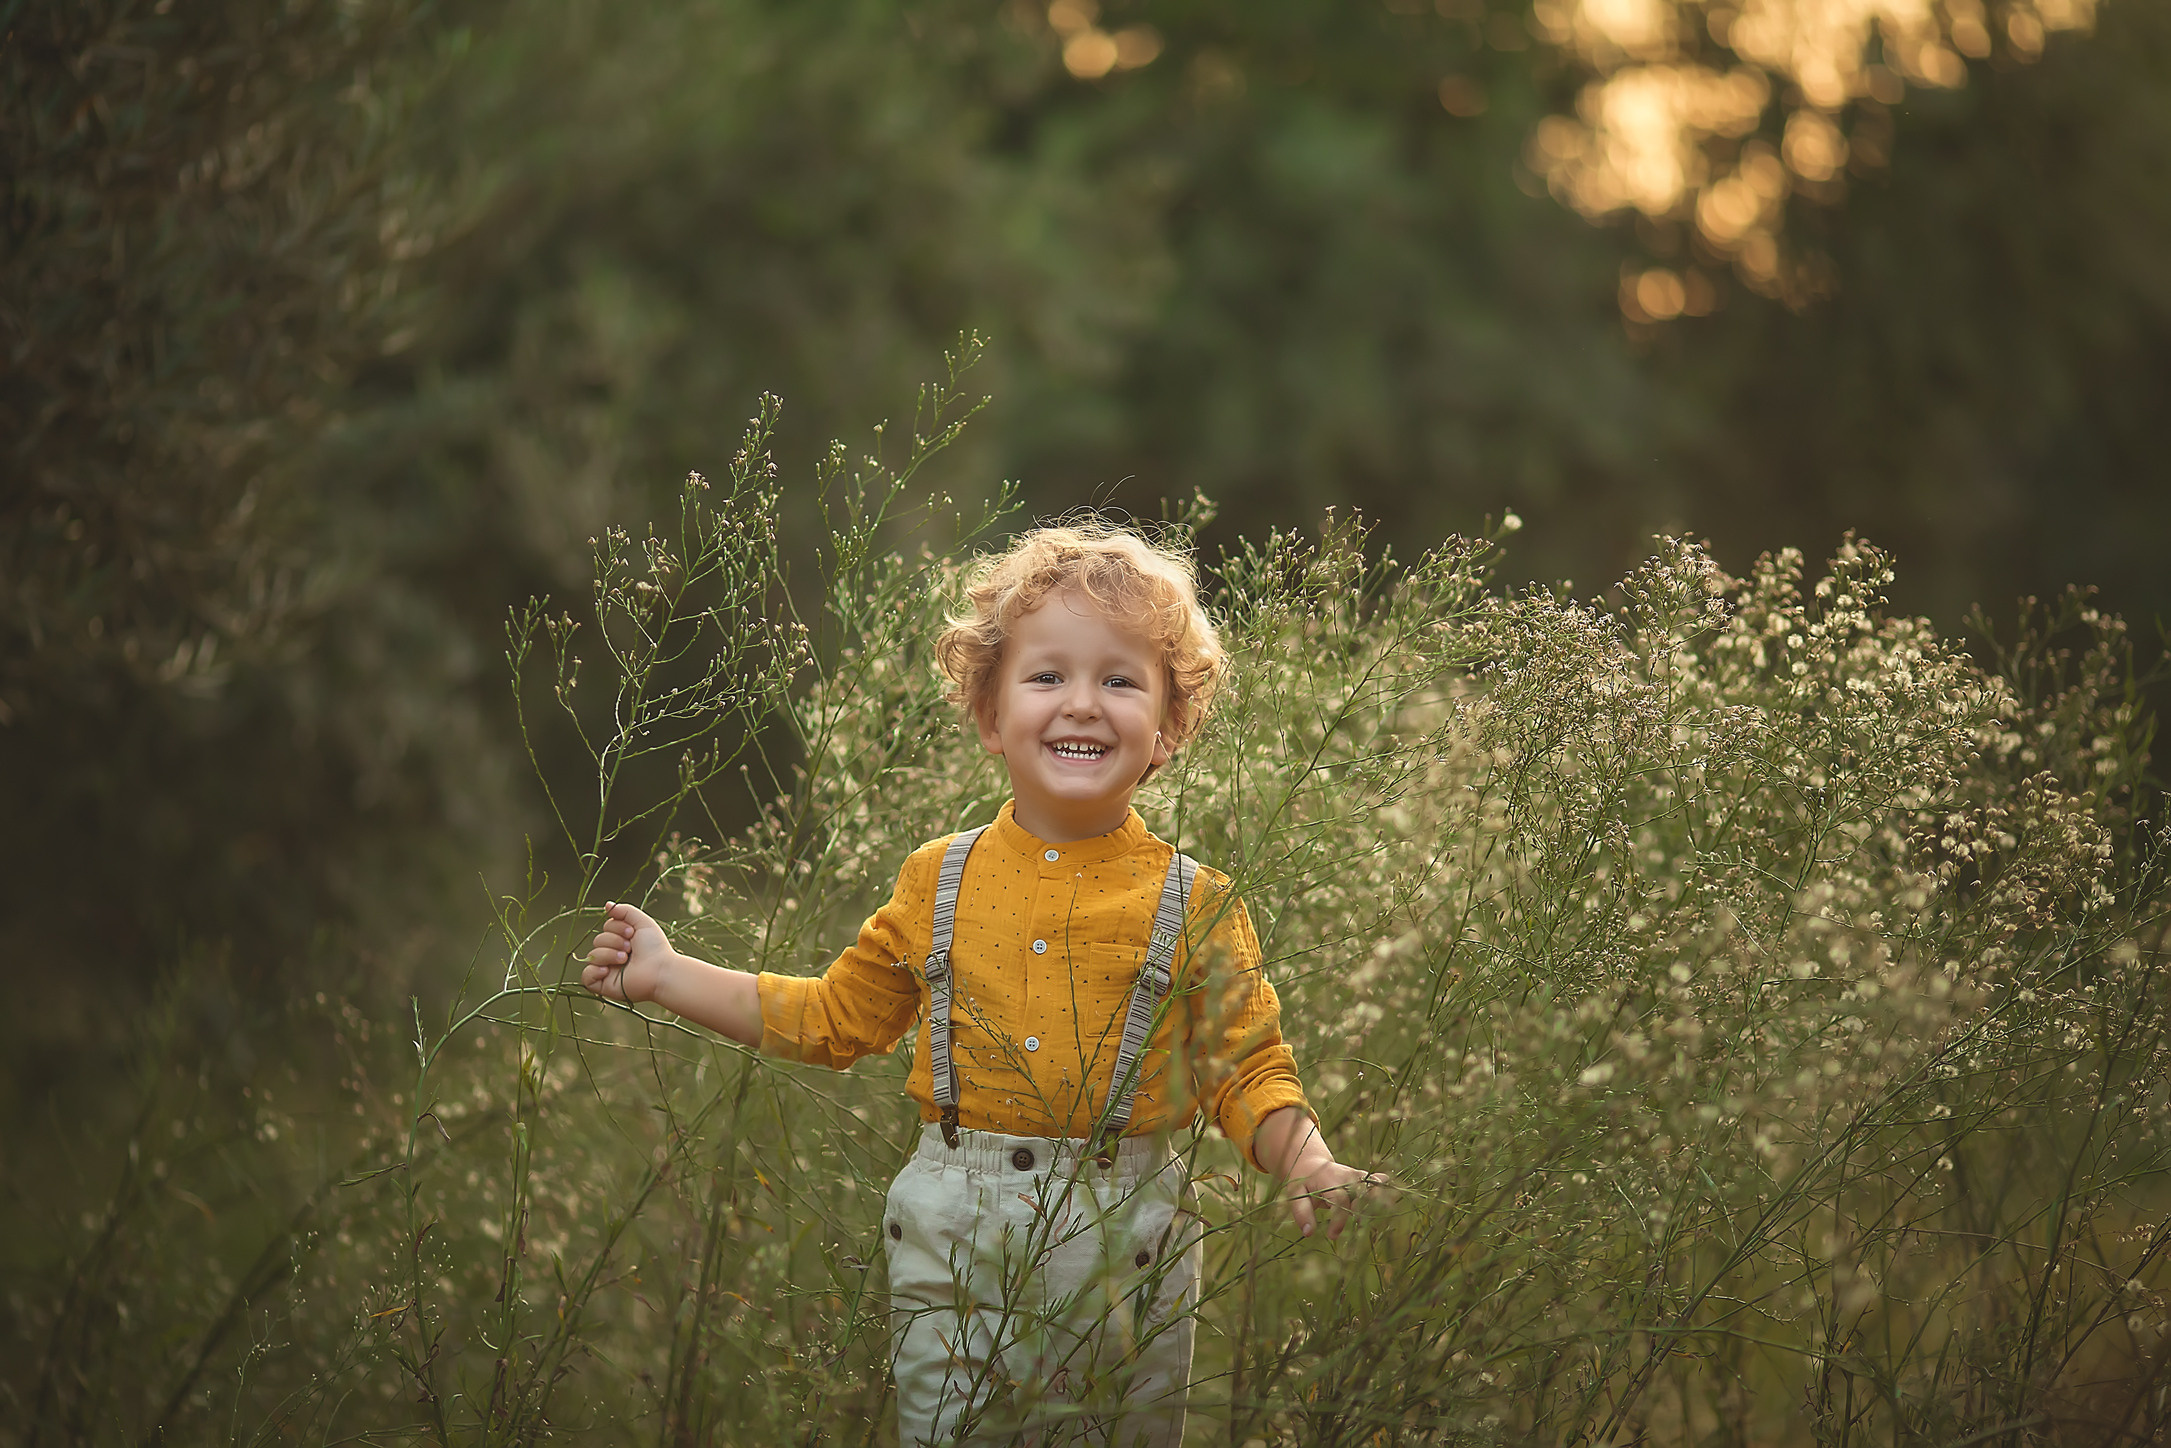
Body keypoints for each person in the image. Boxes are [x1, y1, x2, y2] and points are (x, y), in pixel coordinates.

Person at [583, 520, 1369, 1446]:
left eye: (1119, 680)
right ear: (992, 718)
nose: (1081, 703)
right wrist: (670, 975)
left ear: (1165, 731)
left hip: (1124, 1239)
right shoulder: (938, 879)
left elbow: (1245, 1067)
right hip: (952, 1227)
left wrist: (1305, 1158)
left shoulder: (1195, 901)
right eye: (1047, 677)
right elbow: (837, 1019)